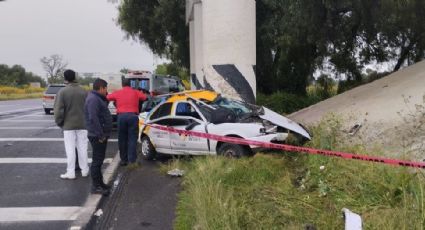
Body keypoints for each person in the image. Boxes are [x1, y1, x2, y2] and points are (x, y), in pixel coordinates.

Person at [54, 69, 89, 180]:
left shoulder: (62, 92)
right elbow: (88, 108)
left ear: (65, 79)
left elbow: (58, 110)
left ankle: (71, 172)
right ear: (75, 77)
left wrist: (60, 122)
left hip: (68, 126)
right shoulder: (84, 91)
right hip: (83, 124)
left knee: (70, 149)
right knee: (82, 148)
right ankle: (85, 170)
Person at [107, 78, 147, 167]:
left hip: (121, 117)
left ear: (122, 85)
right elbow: (144, 97)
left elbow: (108, 97)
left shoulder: (118, 92)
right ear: (130, 84)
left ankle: (123, 160)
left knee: (122, 139)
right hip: (133, 116)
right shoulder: (135, 92)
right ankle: (132, 160)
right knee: (132, 138)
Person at [85, 78, 113, 195]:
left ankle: (100, 183)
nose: (106, 91)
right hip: (97, 136)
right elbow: (93, 118)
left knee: (99, 161)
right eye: (106, 88)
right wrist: (100, 134)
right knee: (97, 161)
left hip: (99, 134)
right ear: (101, 88)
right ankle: (96, 187)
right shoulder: (93, 99)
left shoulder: (97, 98)